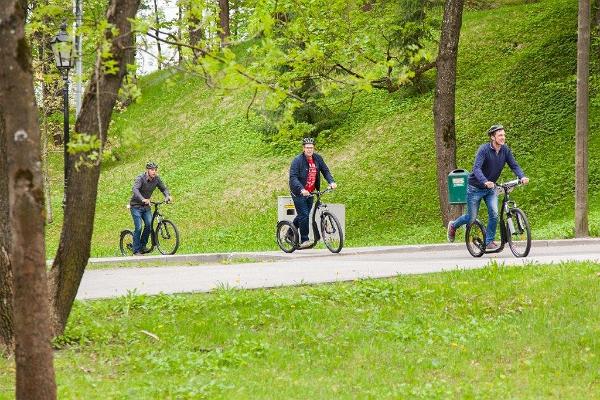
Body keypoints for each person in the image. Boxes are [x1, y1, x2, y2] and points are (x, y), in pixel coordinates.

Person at [447, 124, 529, 249]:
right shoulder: (484, 150)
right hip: (475, 188)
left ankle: (488, 241)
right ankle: (453, 225)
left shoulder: (505, 150)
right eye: (500, 135)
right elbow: (476, 168)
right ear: (492, 137)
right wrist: (485, 181)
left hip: (491, 189)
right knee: (471, 217)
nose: (503, 137)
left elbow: (514, 165)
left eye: (504, 135)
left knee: (494, 214)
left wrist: (521, 176)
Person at [289, 137, 337, 248]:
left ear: (314, 148)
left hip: (311, 192)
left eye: (311, 148)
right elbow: (293, 178)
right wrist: (301, 189)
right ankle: (305, 240)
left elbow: (325, 171)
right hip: (299, 192)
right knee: (304, 215)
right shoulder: (297, 160)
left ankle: (290, 231)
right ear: (303, 148)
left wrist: (331, 182)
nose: (309, 150)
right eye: (307, 148)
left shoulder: (318, 159)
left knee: (303, 215)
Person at [130, 162, 172, 255]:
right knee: (139, 227)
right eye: (152, 170)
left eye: (155, 170)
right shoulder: (140, 178)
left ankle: (142, 246)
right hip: (136, 206)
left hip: (146, 207)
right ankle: (136, 250)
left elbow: (163, 188)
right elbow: (135, 189)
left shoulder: (156, 179)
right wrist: (142, 199)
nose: (154, 172)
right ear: (147, 170)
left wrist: (167, 196)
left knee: (149, 225)